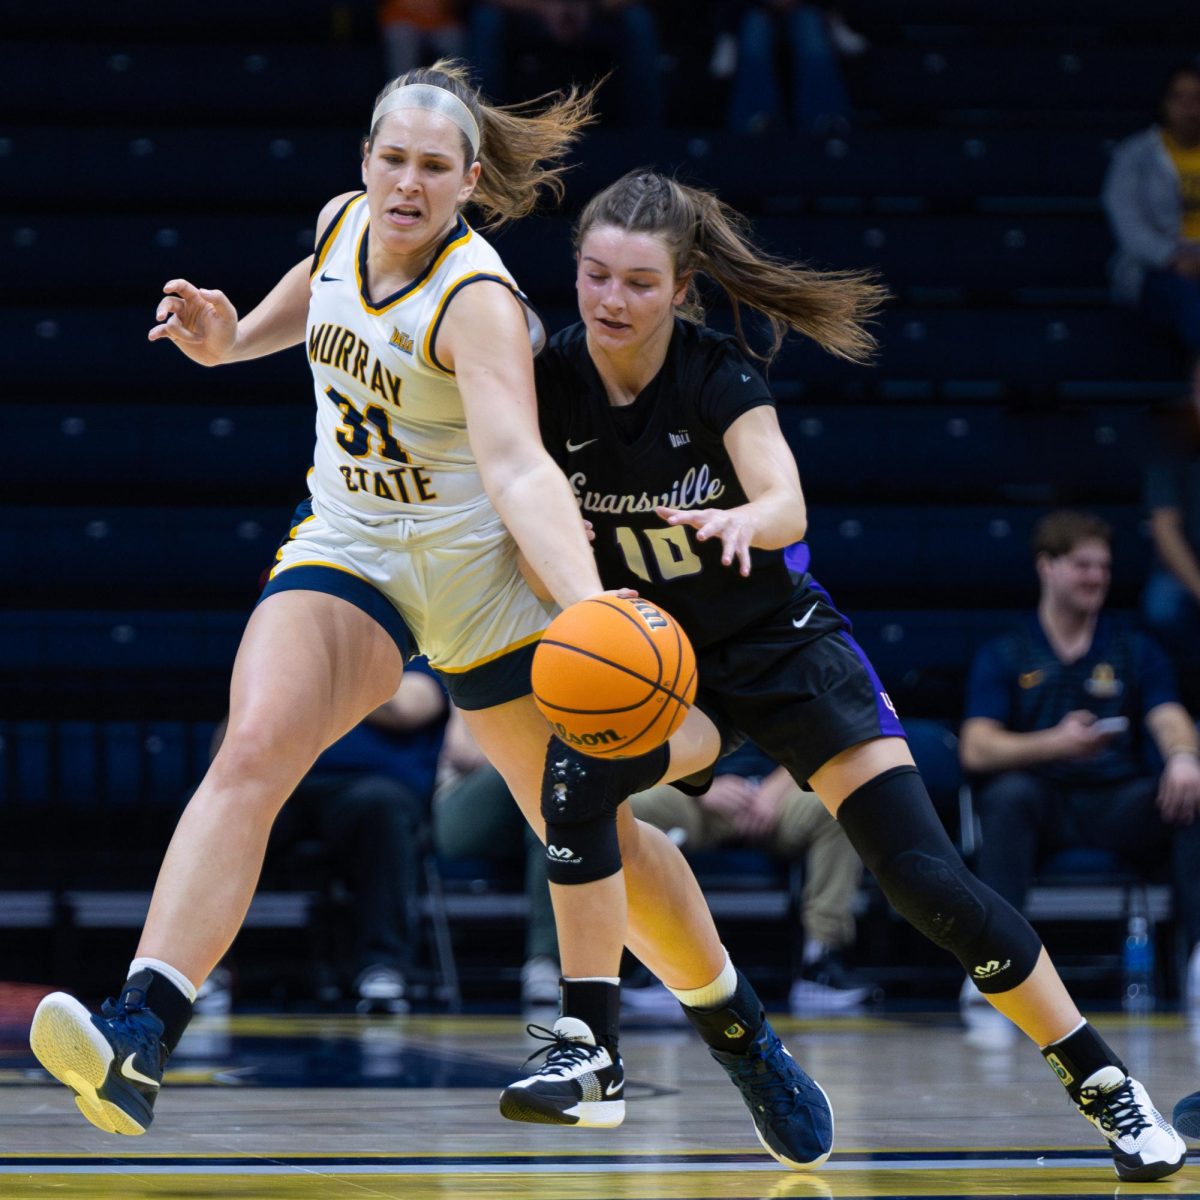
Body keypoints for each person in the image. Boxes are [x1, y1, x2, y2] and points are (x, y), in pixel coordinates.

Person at [27, 62, 823, 1174]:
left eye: (432, 168)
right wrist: (233, 336)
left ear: (470, 182)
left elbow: (519, 468)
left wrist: (588, 608)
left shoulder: (479, 301)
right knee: (252, 746)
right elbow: (322, 288)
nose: (406, 183)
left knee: (590, 835)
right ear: (363, 163)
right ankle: (140, 1030)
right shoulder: (342, 221)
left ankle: (742, 1040)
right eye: (390, 159)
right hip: (350, 551)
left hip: (484, 587)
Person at [497, 169, 1188, 1182]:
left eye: (638, 284)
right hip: (665, 667)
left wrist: (744, 520)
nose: (609, 301)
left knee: (924, 882)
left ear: (683, 286)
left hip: (784, 650)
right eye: (594, 276)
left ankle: (1105, 1086)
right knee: (577, 777)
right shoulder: (549, 381)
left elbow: (785, 498)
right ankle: (590, 1044)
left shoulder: (718, 374)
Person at [959, 510, 1200, 1011]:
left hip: (1116, 803)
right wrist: (1056, 743)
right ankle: (996, 966)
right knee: (1007, 796)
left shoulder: (1132, 647)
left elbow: (1169, 714)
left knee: (1189, 793)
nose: (1096, 577)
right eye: (1082, 565)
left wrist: (1182, 757)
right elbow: (976, 746)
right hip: (1041, 803)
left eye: (1104, 567)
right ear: (1047, 567)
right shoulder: (1009, 650)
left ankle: (1199, 957)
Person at [628, 741, 871, 1013]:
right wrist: (697, 785)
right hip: (691, 790)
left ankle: (820, 960)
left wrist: (774, 790)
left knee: (840, 804)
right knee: (631, 808)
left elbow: (822, 735)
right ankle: (657, 964)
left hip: (779, 792)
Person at [274, 656, 449, 1013]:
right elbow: (227, 738)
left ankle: (383, 965)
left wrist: (321, 678)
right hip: (284, 779)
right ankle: (202, 971)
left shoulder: (421, 658)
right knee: (204, 805)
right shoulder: (287, 650)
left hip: (369, 786)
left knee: (380, 805)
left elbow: (406, 710)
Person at [432, 702, 561, 1008]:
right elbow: (462, 751)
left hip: (543, 798)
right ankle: (548, 960)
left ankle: (545, 961)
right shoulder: (476, 657)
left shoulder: (572, 665)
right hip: (467, 805)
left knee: (554, 805)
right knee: (545, 775)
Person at [1102, 61, 1200, 404]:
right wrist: (1172, 257)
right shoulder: (1136, 155)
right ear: (1165, 103)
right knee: (1188, 299)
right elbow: (1126, 221)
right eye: (1180, 97)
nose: (1189, 107)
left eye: (1197, 98)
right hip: (1156, 267)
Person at [467, 1, 663, 128]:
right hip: (524, 13)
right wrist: (543, 7)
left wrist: (589, 7)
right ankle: (484, 137)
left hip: (597, 14)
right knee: (486, 20)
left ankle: (648, 144)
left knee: (637, 21)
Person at [1144, 396, 1200, 699]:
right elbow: (1165, 530)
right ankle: (1184, 701)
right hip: (1186, 573)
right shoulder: (1172, 445)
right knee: (1163, 606)